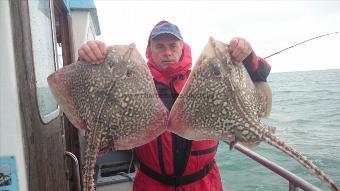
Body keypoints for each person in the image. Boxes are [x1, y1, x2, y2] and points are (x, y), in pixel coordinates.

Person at [77, 21, 271, 191]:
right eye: (159, 46)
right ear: (150, 50)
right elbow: (91, 94)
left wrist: (246, 55)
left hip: (203, 183)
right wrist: (88, 61)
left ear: (182, 48)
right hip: (151, 184)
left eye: (173, 45)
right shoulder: (134, 81)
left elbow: (260, 75)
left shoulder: (202, 78)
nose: (167, 52)